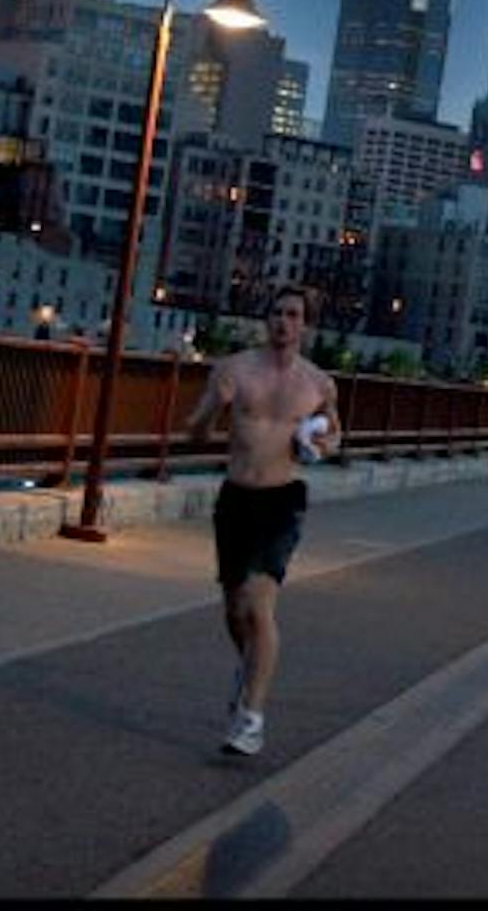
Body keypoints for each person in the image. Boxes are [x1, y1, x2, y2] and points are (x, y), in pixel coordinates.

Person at [183, 285, 340, 757]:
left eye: (293, 315)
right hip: (236, 498)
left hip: (281, 501)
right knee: (234, 611)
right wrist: (217, 404)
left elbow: (335, 435)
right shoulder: (234, 371)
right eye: (276, 313)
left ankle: (251, 718)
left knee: (257, 603)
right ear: (265, 320)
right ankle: (249, 670)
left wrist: (321, 444)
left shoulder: (319, 384)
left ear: (305, 326)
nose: (283, 322)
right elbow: (195, 435)